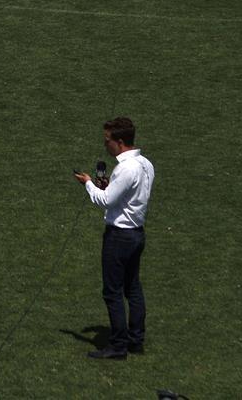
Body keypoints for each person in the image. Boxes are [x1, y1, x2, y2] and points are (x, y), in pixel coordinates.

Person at [73, 117, 155, 360]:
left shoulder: (125, 168)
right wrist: (109, 186)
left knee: (112, 292)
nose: (105, 144)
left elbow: (105, 201)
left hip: (119, 237)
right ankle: (135, 340)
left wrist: (88, 184)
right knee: (133, 288)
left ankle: (118, 346)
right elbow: (128, 196)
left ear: (119, 142)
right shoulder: (145, 164)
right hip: (137, 234)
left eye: (107, 140)